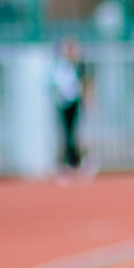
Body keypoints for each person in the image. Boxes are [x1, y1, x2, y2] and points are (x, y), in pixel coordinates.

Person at [50, 37, 89, 180]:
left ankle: (76, 162)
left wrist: (87, 100)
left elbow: (84, 83)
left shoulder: (77, 65)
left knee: (74, 133)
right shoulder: (58, 65)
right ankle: (69, 163)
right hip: (62, 103)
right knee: (66, 134)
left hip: (74, 101)